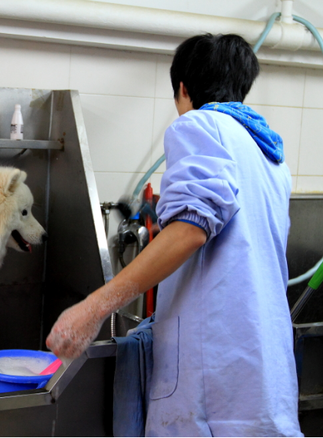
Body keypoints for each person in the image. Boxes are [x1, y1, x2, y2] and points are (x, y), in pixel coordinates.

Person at [46, 33, 302, 437]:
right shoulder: (271, 158)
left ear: (183, 89)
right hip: (264, 381)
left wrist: (93, 308)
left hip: (213, 385)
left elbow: (189, 231)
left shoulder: (199, 124)